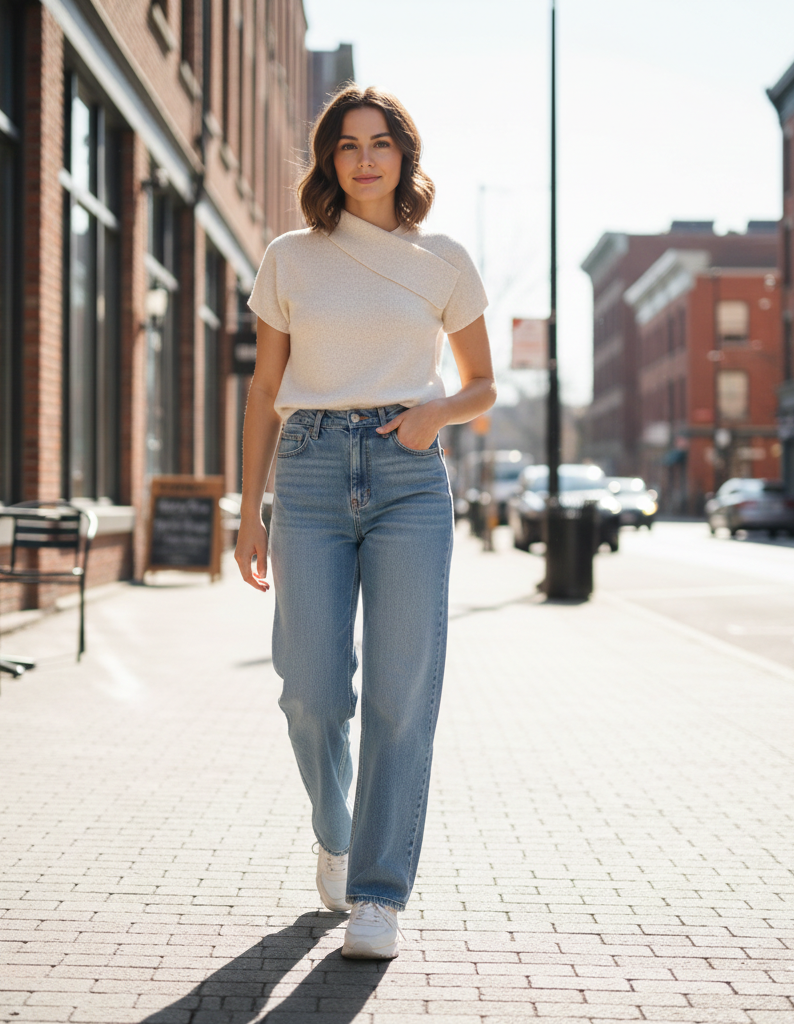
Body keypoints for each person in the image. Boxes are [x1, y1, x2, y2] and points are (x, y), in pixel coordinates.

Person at [234, 84, 496, 960]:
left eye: (380, 142)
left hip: (407, 476)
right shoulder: (290, 258)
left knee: (400, 694)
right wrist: (250, 509)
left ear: (404, 155)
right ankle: (336, 831)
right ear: (329, 160)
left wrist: (436, 414)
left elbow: (483, 385)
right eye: (347, 145)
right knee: (309, 691)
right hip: (308, 472)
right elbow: (264, 390)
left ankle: (379, 894)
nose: (365, 159)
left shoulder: (443, 259)